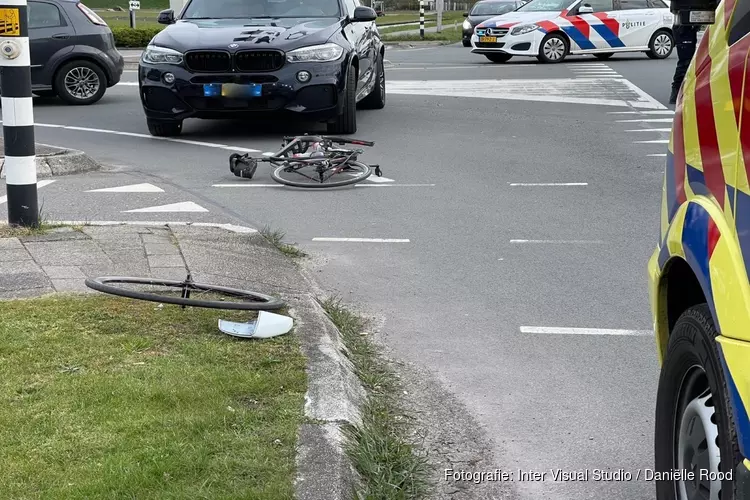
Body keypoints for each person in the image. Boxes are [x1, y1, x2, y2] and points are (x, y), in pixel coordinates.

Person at [670, 22, 701, 104]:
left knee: (688, 61)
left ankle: (681, 92)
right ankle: (676, 94)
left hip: (688, 28)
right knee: (685, 62)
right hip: (684, 28)